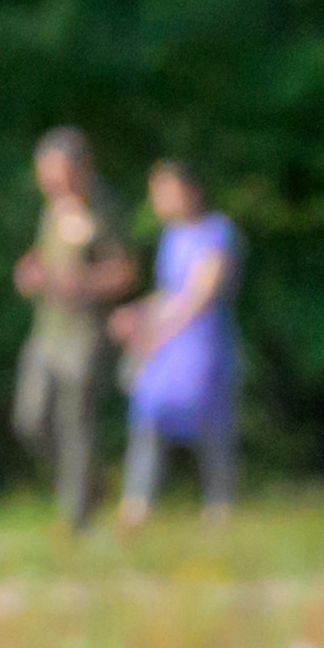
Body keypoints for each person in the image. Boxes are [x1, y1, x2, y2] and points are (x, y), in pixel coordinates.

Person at [5, 125, 124, 540]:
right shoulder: (51, 210)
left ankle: (78, 520)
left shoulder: (102, 207)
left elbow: (124, 270)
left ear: (81, 167)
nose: (50, 181)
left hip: (84, 333)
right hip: (47, 332)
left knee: (77, 424)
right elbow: (45, 256)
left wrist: (81, 285)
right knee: (31, 419)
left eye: (57, 171)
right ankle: (90, 483)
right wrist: (31, 271)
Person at [119, 157, 243, 522]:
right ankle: (137, 505)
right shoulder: (170, 237)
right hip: (167, 344)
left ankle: (219, 507)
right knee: (147, 416)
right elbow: (169, 292)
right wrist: (138, 314)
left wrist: (158, 328)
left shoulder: (217, 231)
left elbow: (201, 294)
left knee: (212, 424)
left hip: (201, 344)